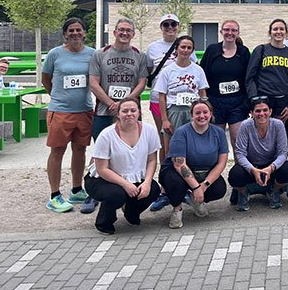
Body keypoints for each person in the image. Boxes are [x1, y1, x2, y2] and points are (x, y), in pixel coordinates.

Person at [87, 18, 148, 214]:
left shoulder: (139, 55)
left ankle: (128, 189)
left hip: (129, 112)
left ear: (133, 34)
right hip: (105, 111)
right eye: (121, 30)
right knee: (100, 152)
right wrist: (110, 103)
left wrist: (126, 103)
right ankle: (94, 191)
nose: (124, 33)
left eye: (128, 30)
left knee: (130, 151)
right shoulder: (100, 54)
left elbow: (141, 83)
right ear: (114, 32)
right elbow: (94, 83)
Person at [84, 99, 161, 234]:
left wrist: (147, 182)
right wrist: (125, 184)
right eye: (125, 111)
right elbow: (102, 169)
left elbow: (152, 160)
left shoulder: (149, 131)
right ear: (118, 114)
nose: (129, 114)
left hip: (135, 176)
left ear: (139, 112)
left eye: (133, 110)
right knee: (117, 194)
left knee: (153, 190)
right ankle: (104, 222)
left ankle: (131, 213)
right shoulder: (106, 135)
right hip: (103, 179)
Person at [42, 18, 95, 213]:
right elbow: (45, 79)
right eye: (71, 30)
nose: (75, 33)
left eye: (78, 30)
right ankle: (54, 195)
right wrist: (56, 97)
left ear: (84, 33)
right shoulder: (55, 54)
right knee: (57, 151)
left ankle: (76, 189)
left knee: (80, 149)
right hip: (61, 111)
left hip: (84, 109)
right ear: (65, 34)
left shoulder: (92, 54)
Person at [158, 99, 229, 228]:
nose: (201, 116)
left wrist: (204, 186)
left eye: (205, 112)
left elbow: (221, 163)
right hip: (176, 171)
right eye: (197, 113)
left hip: (203, 172)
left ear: (211, 113)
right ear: (192, 115)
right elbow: (179, 165)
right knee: (175, 184)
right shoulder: (181, 132)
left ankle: (194, 199)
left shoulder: (218, 133)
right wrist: (196, 187)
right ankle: (177, 208)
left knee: (219, 189)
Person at [146, 14, 197, 164]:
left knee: (185, 136)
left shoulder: (186, 46)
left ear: (178, 27)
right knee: (164, 137)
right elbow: (149, 71)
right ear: (161, 27)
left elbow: (194, 68)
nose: (170, 28)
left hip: (182, 99)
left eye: (173, 24)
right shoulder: (153, 48)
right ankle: (165, 173)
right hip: (158, 98)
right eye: (166, 24)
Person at [229, 98, 288, 211]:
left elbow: (283, 153)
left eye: (265, 110)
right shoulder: (245, 125)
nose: (262, 114)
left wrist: (271, 168)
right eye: (258, 111)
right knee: (235, 174)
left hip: (271, 165)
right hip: (251, 164)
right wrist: (253, 169)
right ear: (251, 113)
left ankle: (274, 190)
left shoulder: (278, 125)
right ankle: (243, 193)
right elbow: (240, 154)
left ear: (270, 111)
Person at [200, 20, 251, 154]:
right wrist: (205, 99)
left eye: (233, 30)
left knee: (237, 140)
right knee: (216, 141)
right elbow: (202, 75)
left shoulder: (243, 52)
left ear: (238, 33)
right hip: (215, 101)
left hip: (237, 103)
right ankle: (215, 173)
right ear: (221, 32)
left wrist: (248, 101)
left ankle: (240, 172)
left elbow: (249, 77)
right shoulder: (212, 50)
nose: (230, 33)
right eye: (227, 30)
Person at [245, 18, 288, 131]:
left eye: (281, 29)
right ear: (270, 32)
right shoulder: (261, 50)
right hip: (264, 100)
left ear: (287, 32)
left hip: (283, 102)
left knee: (281, 137)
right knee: (262, 136)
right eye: (275, 29)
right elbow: (250, 77)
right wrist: (255, 100)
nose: (278, 32)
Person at [154, 36, 209, 141]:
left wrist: (204, 113)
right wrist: (164, 119)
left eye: (189, 48)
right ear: (176, 49)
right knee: (171, 145)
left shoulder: (198, 70)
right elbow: (162, 97)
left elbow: (203, 93)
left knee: (194, 143)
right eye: (183, 47)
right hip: (174, 110)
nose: (186, 50)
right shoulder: (167, 71)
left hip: (193, 110)